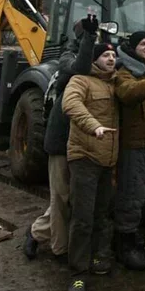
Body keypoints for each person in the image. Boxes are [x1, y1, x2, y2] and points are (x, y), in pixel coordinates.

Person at [25, 14, 99, 261]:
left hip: (84, 140)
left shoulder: (98, 57)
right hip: (61, 139)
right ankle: (59, 248)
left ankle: (36, 232)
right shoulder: (67, 59)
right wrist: (90, 36)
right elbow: (81, 66)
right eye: (89, 34)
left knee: (73, 197)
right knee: (60, 196)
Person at [63, 42, 120, 291]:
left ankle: (99, 257)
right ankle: (77, 274)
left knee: (102, 213)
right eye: (106, 55)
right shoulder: (80, 80)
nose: (111, 59)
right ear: (96, 59)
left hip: (107, 160)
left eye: (114, 55)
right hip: (85, 158)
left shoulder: (115, 84)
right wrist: (93, 126)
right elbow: (71, 104)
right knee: (82, 218)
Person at [113, 31, 145, 271]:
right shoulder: (124, 71)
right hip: (134, 144)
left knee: (142, 195)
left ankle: (132, 236)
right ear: (132, 48)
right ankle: (124, 248)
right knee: (131, 196)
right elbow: (127, 92)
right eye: (143, 44)